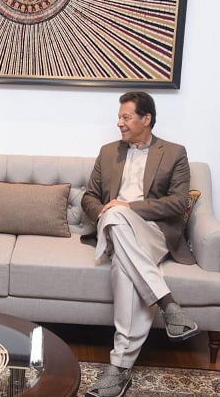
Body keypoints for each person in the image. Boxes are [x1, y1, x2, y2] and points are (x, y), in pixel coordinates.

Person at [82, 91, 199, 397]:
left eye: (126, 117)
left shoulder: (174, 153)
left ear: (146, 119)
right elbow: (88, 198)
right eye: (119, 117)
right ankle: (167, 305)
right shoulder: (108, 152)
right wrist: (107, 211)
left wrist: (128, 208)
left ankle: (120, 369)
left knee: (123, 260)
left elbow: (177, 203)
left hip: (153, 232)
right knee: (116, 220)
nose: (119, 122)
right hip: (114, 226)